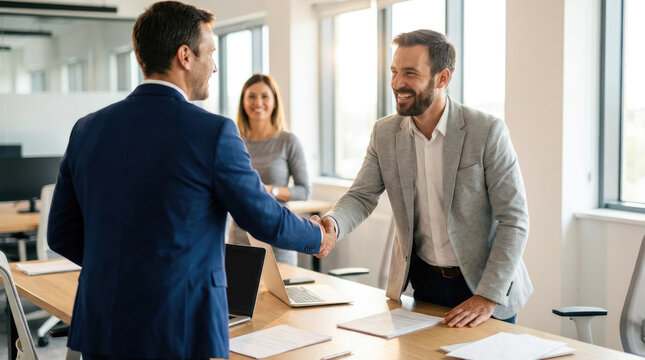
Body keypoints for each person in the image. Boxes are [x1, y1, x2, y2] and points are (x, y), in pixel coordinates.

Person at [47, 2, 336, 359]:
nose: (214, 66)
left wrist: (117, 267)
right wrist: (317, 236)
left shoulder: (87, 129)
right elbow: (263, 218)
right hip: (179, 325)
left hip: (102, 321)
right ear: (185, 56)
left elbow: (60, 233)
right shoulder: (212, 132)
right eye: (210, 53)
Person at [314, 29, 531, 328]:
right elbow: (361, 196)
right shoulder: (385, 133)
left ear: (442, 78)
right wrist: (333, 225)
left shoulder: (487, 131)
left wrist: (488, 296)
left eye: (410, 73)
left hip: (483, 286)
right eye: (394, 72)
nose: (397, 83)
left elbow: (514, 219)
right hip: (423, 283)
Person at [228, 74, 310, 266]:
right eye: (251, 96)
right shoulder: (233, 141)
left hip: (279, 239)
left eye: (265, 96)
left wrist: (269, 190)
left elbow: (304, 191)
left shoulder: (288, 142)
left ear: (274, 101)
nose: (258, 102)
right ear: (243, 102)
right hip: (241, 240)